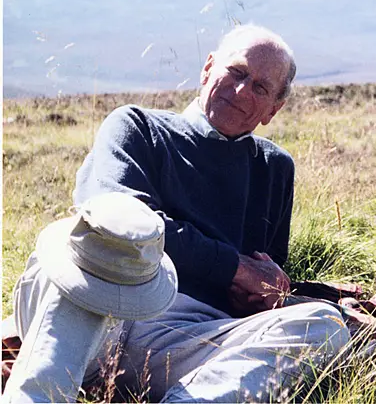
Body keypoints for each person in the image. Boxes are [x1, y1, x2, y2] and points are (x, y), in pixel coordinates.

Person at [3, 25, 351, 403]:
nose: (241, 91)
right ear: (208, 68)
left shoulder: (273, 167)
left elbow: (260, 276)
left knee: (325, 325)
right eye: (236, 72)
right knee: (74, 252)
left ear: (273, 109)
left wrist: (259, 295)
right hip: (95, 309)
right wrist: (233, 268)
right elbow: (114, 218)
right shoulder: (137, 126)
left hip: (184, 339)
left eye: (260, 88)